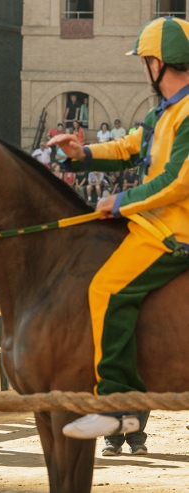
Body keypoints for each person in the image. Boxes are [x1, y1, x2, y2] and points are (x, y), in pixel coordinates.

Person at [49, 16, 189, 440]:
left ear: (157, 63)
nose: (143, 69)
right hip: (153, 225)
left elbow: (179, 180)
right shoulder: (162, 112)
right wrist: (83, 153)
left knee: (106, 289)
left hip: (176, 232)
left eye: (144, 61)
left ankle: (115, 404)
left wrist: (121, 201)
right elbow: (129, 147)